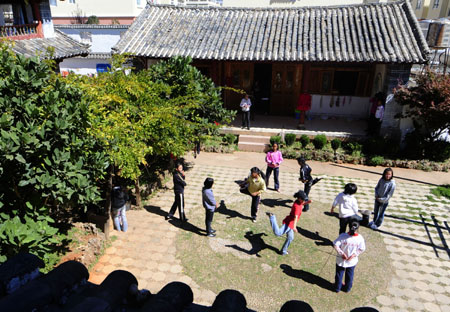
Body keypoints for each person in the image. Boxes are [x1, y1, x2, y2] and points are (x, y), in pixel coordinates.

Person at [266, 190, 311, 255]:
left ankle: (283, 251)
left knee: (290, 238)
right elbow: (295, 217)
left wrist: (307, 202)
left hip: (291, 224)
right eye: (303, 199)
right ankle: (272, 217)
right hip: (289, 224)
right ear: (299, 198)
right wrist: (294, 227)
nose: (304, 201)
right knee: (278, 233)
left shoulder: (299, 202)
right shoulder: (296, 207)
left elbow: (302, 204)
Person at [333, 219, 366, 293]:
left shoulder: (342, 236)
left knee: (339, 274)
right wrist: (354, 255)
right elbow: (362, 248)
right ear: (358, 228)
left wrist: (342, 253)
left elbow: (335, 244)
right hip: (352, 261)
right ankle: (347, 288)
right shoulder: (360, 238)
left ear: (348, 226)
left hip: (341, 260)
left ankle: (337, 287)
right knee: (350, 275)